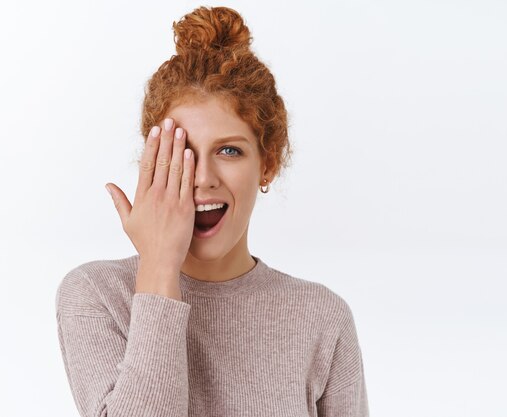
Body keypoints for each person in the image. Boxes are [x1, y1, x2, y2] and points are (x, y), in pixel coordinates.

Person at [55, 6, 369, 417]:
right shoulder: (97, 295)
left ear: (267, 162)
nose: (202, 178)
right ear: (153, 162)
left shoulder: (322, 317)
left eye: (228, 150)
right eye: (181, 152)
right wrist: (159, 265)